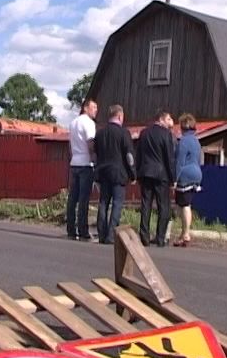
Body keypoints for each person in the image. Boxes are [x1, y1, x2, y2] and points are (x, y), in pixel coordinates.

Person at [94, 104, 136, 245]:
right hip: (119, 173)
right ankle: (112, 235)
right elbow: (129, 156)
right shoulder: (124, 133)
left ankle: (101, 233)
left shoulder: (99, 133)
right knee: (117, 204)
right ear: (119, 116)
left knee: (103, 202)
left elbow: (96, 153)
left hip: (103, 172)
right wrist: (133, 174)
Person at [136, 108, 176, 247]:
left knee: (146, 204)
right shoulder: (167, 135)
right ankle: (160, 237)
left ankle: (144, 236)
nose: (169, 123)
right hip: (162, 175)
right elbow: (169, 158)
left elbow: (138, 154)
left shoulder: (144, 133)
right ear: (161, 119)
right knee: (163, 206)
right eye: (168, 119)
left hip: (146, 173)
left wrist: (138, 173)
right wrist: (173, 178)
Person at [65, 99, 98, 240]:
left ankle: (71, 228)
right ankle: (83, 229)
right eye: (94, 107)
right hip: (85, 163)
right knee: (84, 198)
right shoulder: (89, 123)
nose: (96, 110)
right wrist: (94, 158)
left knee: (72, 198)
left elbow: (69, 144)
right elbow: (90, 143)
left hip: (75, 162)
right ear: (86, 108)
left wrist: (72, 158)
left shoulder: (73, 123)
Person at [173, 113, 202, 247]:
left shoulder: (183, 141)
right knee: (185, 204)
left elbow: (179, 162)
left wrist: (174, 179)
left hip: (185, 175)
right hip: (197, 173)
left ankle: (186, 233)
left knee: (184, 205)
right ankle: (183, 233)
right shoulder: (196, 141)